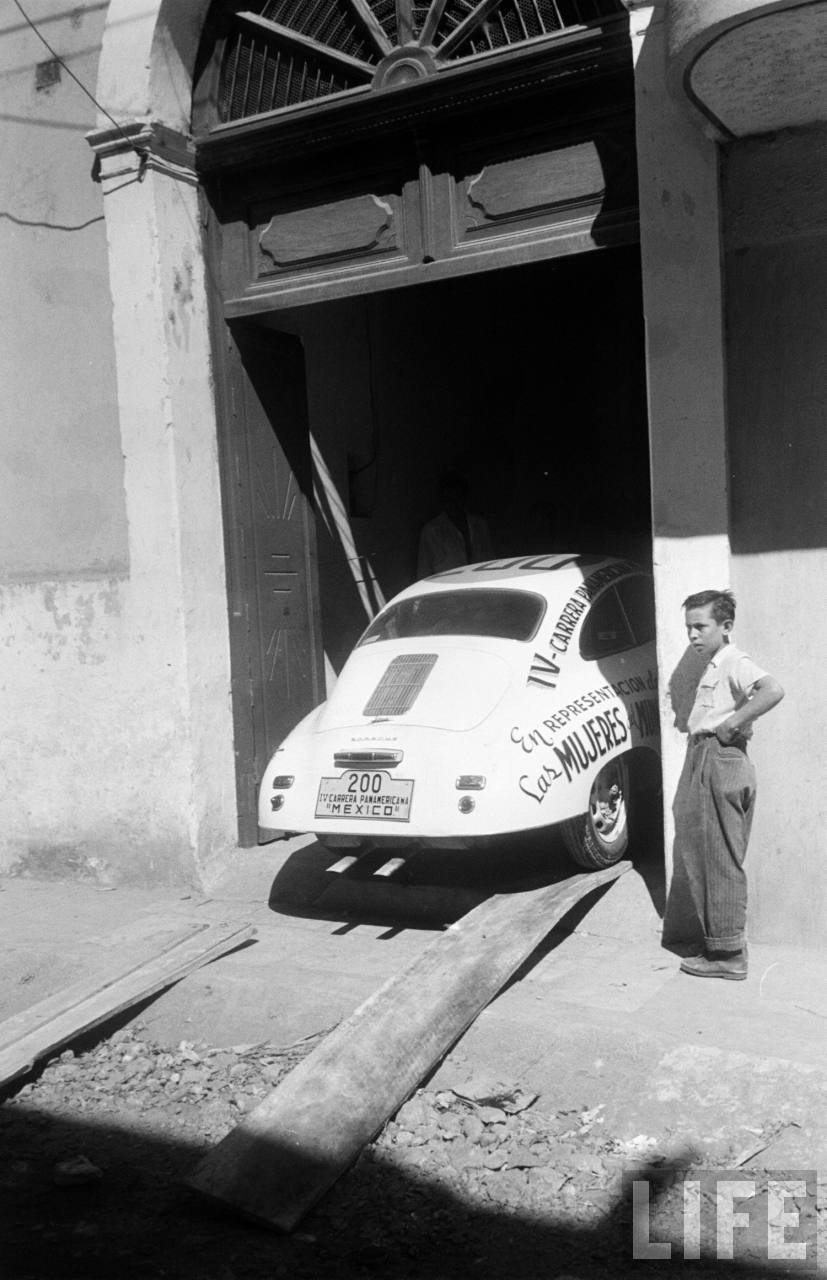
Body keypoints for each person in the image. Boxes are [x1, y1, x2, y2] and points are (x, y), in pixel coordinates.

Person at [669, 589, 784, 980]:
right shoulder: (714, 664)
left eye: (701, 627)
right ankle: (724, 943)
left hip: (719, 757)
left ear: (726, 626)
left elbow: (772, 690)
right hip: (706, 756)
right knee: (708, 853)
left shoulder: (735, 660)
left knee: (717, 856)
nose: (693, 635)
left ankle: (728, 953)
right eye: (689, 628)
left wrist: (732, 723)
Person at [417, 471, 493, 578]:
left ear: (464, 498)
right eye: (449, 500)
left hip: (480, 582)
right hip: (448, 586)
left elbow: (491, 561)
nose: (454, 504)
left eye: (458, 498)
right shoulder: (432, 531)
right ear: (442, 500)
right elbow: (424, 571)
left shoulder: (479, 525)